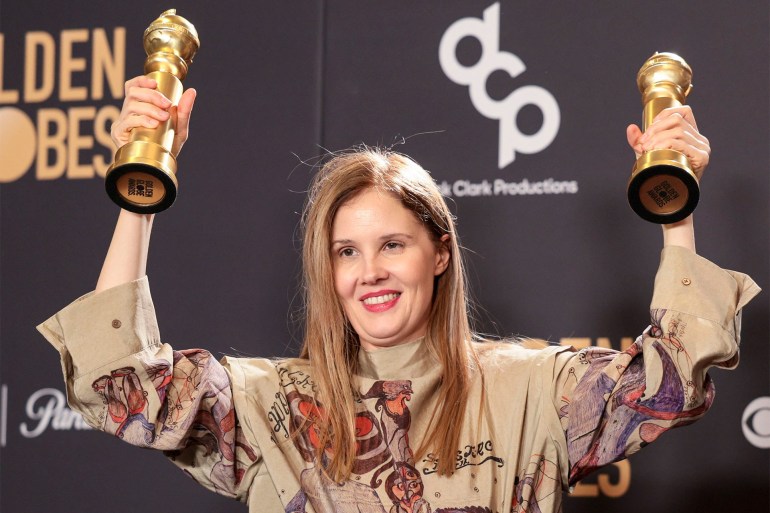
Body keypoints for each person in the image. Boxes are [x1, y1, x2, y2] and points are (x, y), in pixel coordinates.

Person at [38, 75, 759, 513]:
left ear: (440, 253)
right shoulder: (267, 406)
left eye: (393, 245)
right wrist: (140, 187)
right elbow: (120, 382)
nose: (370, 272)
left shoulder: (533, 389)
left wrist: (675, 204)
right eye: (346, 252)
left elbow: (670, 383)